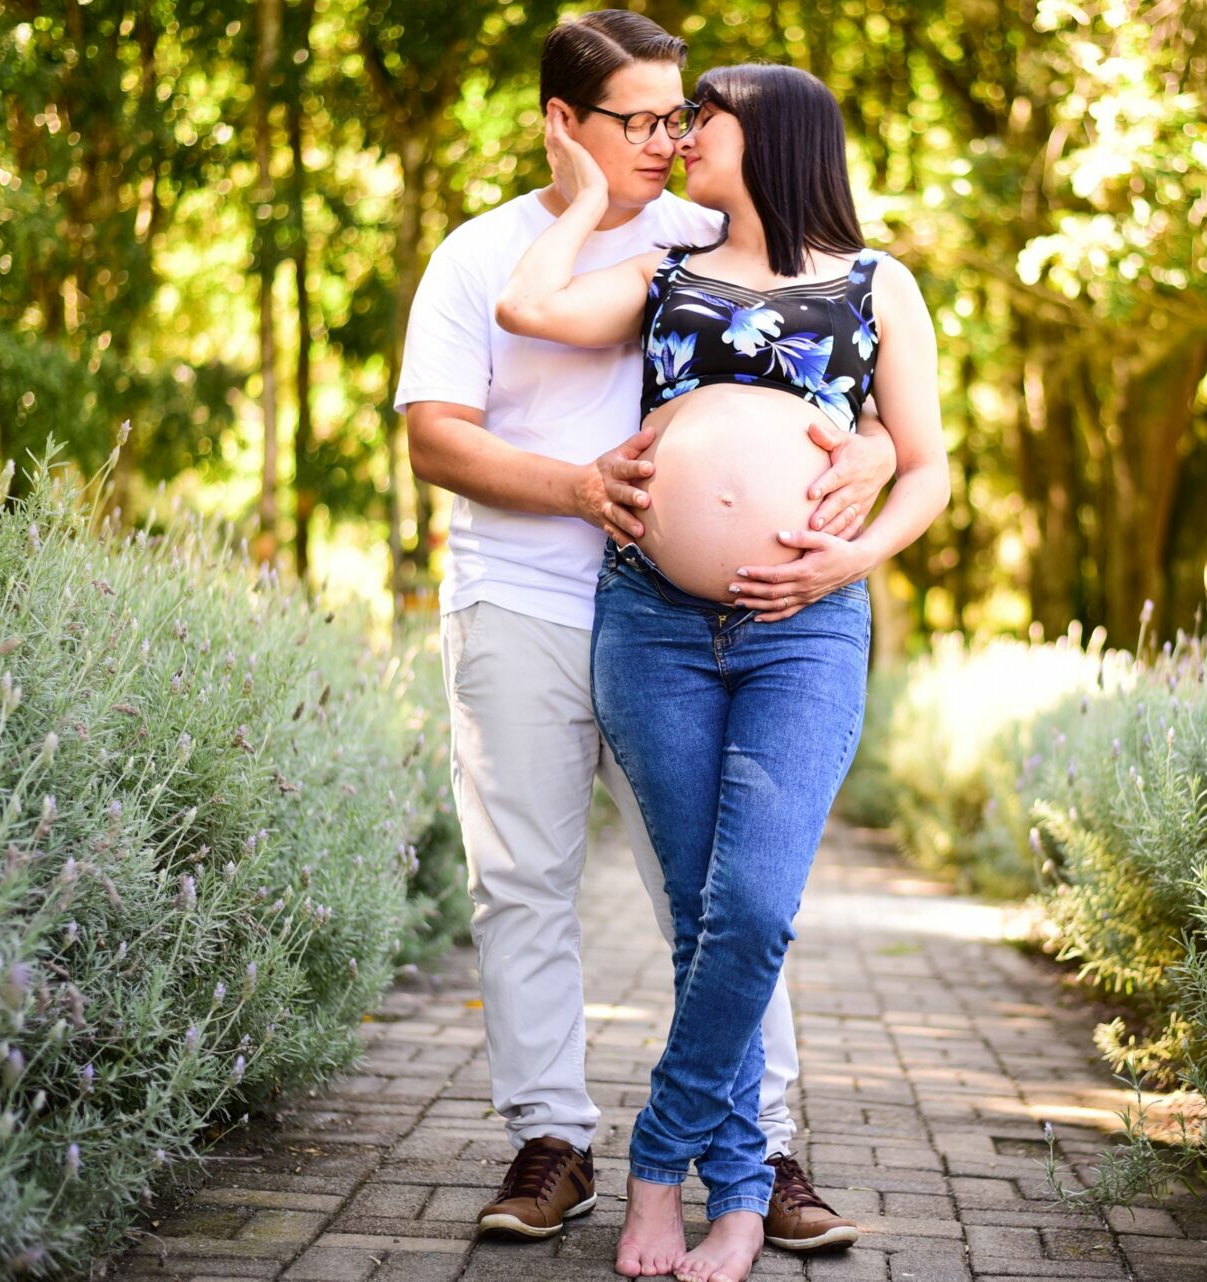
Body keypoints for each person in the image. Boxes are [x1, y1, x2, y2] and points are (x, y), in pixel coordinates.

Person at [394, 10, 891, 1256]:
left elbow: (845, 367)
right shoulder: (480, 254)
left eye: (683, 116)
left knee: (722, 896)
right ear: (564, 124)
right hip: (520, 600)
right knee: (522, 882)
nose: (671, 141)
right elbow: (434, 435)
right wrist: (573, 489)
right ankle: (552, 1138)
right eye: (642, 119)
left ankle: (762, 1148)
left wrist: (872, 460)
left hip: (680, 618)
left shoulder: (703, 232)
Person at [497, 61, 950, 1282]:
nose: (685, 136)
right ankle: (741, 1196)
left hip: (806, 625)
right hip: (650, 621)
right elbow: (531, 310)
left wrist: (844, 554)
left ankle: (658, 1162)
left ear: (780, 139)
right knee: (705, 918)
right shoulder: (662, 269)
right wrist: (587, 197)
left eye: (708, 120)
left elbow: (929, 470)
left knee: (751, 907)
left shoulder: (876, 283)